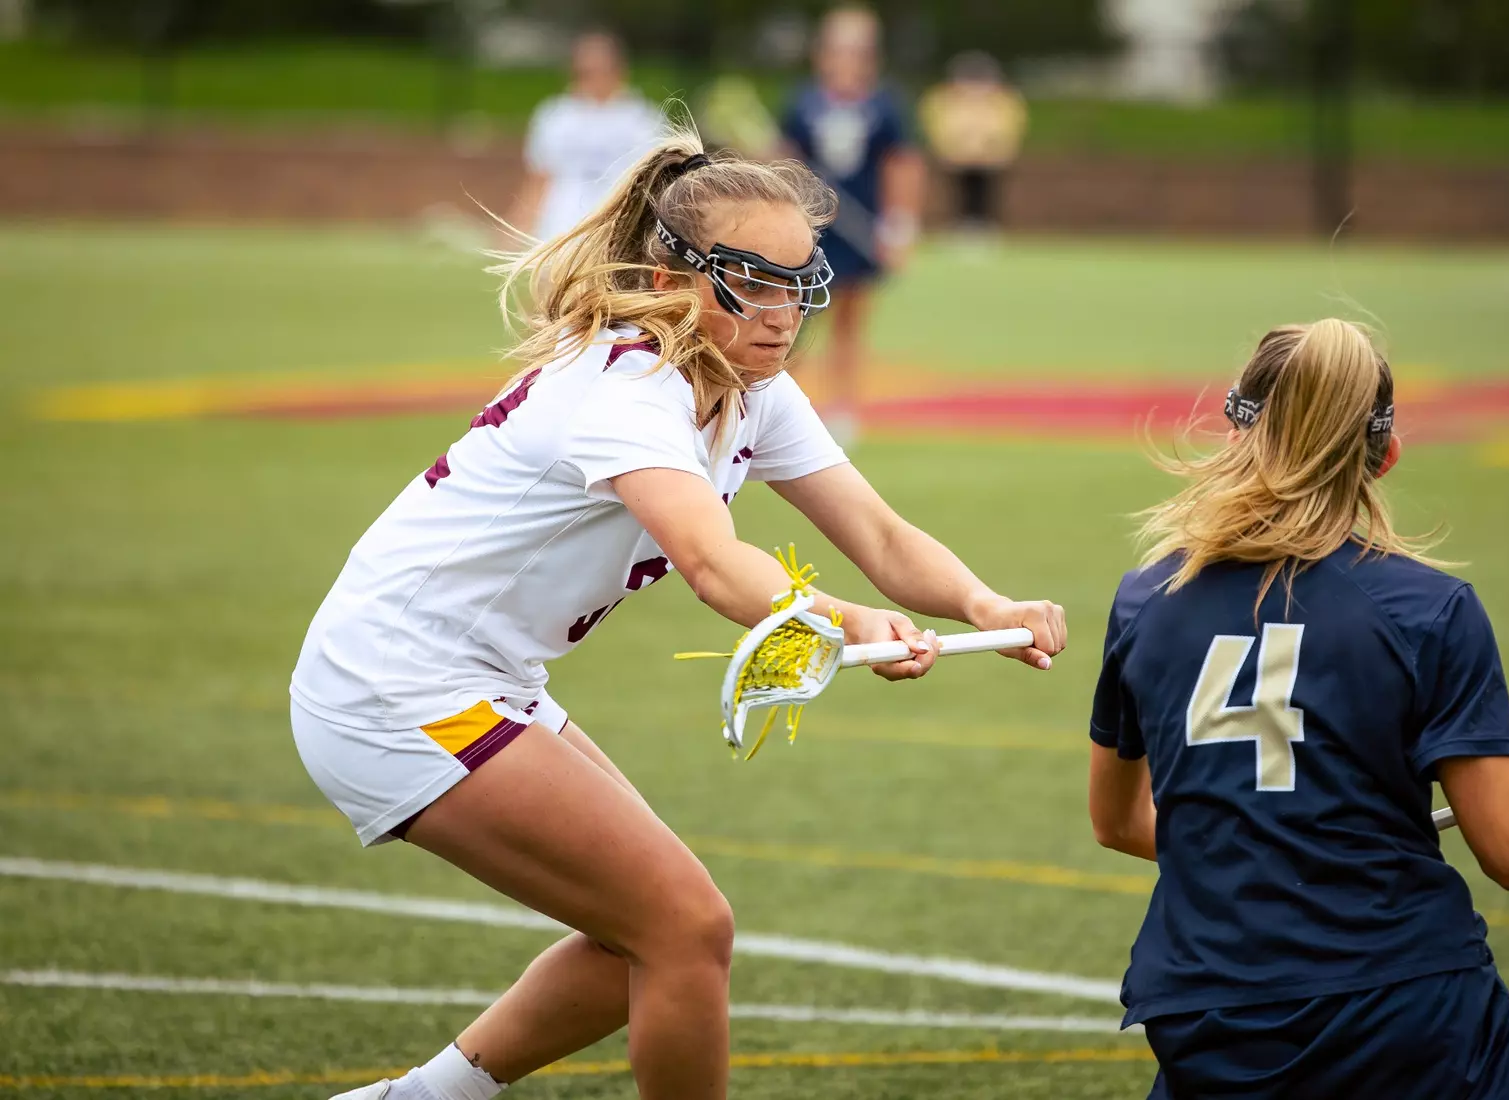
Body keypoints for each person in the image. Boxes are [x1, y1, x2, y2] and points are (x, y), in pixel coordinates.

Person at [295, 127, 1066, 1100]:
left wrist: (984, 601)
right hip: (392, 688)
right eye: (756, 281)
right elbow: (711, 562)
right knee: (684, 926)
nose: (785, 313)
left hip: (475, 678)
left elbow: (880, 533)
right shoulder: (629, 386)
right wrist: (848, 619)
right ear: (674, 279)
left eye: (800, 281)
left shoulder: (752, 386)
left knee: (656, 930)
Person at [1087, 319, 1509, 1100]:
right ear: (1383, 454)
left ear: (1235, 431)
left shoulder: (1145, 601)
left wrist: (1259, 849)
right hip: (1402, 995)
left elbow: (1119, 823)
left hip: (1209, 1009)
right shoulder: (1431, 611)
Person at [780, 5, 925, 444]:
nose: (847, 58)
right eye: (838, 48)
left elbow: (903, 165)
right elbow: (785, 162)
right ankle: (787, 411)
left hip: (861, 230)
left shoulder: (885, 107)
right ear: (822, 54)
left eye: (857, 50)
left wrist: (899, 226)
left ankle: (843, 409)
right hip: (811, 232)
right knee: (795, 321)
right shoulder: (803, 103)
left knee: (849, 323)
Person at [507, 30, 663, 246]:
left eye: (600, 70)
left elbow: (653, 182)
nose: (593, 79)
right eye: (585, 72)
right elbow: (539, 177)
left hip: (616, 229)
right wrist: (520, 223)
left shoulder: (643, 121)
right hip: (561, 228)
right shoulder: (555, 116)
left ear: (619, 70)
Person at [918, 51, 1026, 235]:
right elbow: (936, 123)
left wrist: (997, 150)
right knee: (959, 191)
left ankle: (984, 224)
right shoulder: (944, 98)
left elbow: (1009, 125)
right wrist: (948, 149)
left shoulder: (1002, 100)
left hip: (989, 158)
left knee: (985, 191)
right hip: (956, 157)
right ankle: (961, 223)